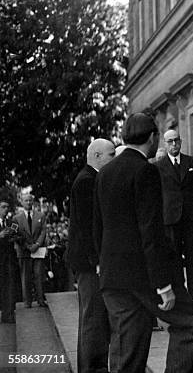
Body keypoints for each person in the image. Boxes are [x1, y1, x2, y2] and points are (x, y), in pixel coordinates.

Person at [93, 113, 193, 372]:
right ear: (152, 137)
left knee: (128, 345)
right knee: (186, 321)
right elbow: (150, 230)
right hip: (144, 275)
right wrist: (163, 284)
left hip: (112, 274)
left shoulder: (104, 173)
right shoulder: (146, 170)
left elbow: (97, 226)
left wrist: (100, 263)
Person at [67, 138, 115, 372]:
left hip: (88, 261)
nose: (113, 159)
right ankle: (92, 368)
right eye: (111, 155)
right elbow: (87, 227)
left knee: (93, 317)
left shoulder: (89, 178)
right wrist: (96, 261)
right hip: (89, 263)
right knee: (93, 318)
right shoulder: (87, 181)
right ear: (97, 156)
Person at [155, 129, 193, 302]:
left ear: (181, 141)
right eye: (170, 141)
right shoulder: (159, 166)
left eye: (176, 140)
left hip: (190, 216)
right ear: (165, 143)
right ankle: (178, 289)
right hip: (170, 217)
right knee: (174, 254)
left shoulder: (191, 162)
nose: (174, 144)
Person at [14, 193, 47, 308]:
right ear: (22, 202)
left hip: (38, 250)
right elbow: (15, 234)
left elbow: (43, 231)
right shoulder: (16, 218)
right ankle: (27, 301)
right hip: (24, 251)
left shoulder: (41, 216)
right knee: (25, 276)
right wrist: (27, 246)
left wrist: (37, 244)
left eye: (30, 200)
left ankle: (40, 299)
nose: (28, 203)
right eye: (26, 201)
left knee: (39, 274)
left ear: (33, 202)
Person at [0, 199, 19, 323]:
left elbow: (18, 234)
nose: (6, 209)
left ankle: (8, 314)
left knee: (9, 286)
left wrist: (13, 237)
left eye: (7, 207)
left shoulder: (11, 222)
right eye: (3, 207)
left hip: (9, 260)